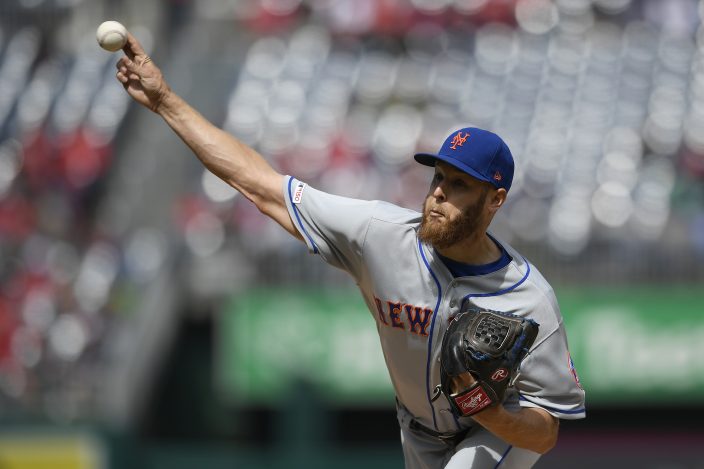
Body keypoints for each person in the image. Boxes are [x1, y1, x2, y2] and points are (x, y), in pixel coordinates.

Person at [115, 33, 586, 469]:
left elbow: (544, 432)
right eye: (438, 177)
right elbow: (261, 187)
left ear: (494, 200)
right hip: (417, 431)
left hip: (494, 432)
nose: (439, 192)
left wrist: (489, 411)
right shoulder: (379, 234)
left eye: (459, 184)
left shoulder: (529, 298)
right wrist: (165, 101)